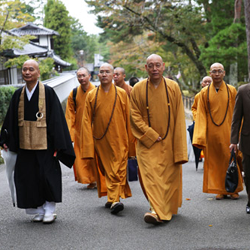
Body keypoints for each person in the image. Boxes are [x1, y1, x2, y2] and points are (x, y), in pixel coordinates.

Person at [0, 59, 75, 224]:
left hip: (45, 145)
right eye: (25, 69)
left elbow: (56, 119)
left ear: (38, 73)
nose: (27, 72)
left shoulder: (47, 92)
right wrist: (5, 139)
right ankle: (38, 209)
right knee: (29, 177)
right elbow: (11, 120)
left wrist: (58, 145)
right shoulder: (18, 94)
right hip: (24, 145)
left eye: (31, 69)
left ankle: (49, 209)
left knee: (46, 176)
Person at [130, 54, 188, 225]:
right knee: (151, 177)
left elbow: (179, 117)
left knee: (168, 178)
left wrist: (179, 145)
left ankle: (162, 207)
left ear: (163, 66)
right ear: (145, 68)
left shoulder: (173, 87)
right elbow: (134, 115)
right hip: (148, 142)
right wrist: (150, 134)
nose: (154, 69)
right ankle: (156, 211)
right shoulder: (138, 89)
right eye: (150, 65)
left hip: (169, 141)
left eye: (157, 65)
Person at [81, 63, 135, 214]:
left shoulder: (121, 93)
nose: (104, 74)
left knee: (117, 169)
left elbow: (128, 118)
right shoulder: (92, 95)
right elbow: (86, 121)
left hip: (120, 138)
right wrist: (88, 144)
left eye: (107, 72)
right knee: (107, 169)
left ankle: (115, 199)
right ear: (97, 75)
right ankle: (112, 198)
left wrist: (131, 142)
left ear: (113, 75)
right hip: (100, 140)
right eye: (101, 72)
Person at [193, 62, 243, 200]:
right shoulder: (204, 93)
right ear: (210, 73)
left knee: (230, 158)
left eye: (219, 71)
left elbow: (238, 113)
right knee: (215, 161)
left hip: (228, 130)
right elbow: (200, 114)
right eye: (214, 71)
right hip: (211, 133)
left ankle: (234, 189)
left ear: (224, 73)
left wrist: (238, 132)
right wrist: (200, 136)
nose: (216, 74)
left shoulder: (232, 90)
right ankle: (220, 188)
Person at [65, 67, 97, 189]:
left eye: (83, 75)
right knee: (80, 157)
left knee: (94, 156)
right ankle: (89, 179)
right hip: (79, 130)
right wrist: (70, 133)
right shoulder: (73, 93)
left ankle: (97, 178)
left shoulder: (96, 91)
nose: (81, 78)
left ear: (89, 76)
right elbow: (70, 115)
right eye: (79, 76)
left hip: (94, 129)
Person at [230, 82, 250, 213]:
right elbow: (236, 118)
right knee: (248, 174)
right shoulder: (243, 91)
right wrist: (233, 141)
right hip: (248, 139)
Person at [189, 76, 212, 170]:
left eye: (209, 82)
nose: (207, 84)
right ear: (202, 84)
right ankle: (198, 154)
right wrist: (197, 118)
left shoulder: (217, 94)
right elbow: (194, 108)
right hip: (200, 121)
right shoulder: (198, 95)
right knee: (191, 130)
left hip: (215, 122)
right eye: (205, 82)